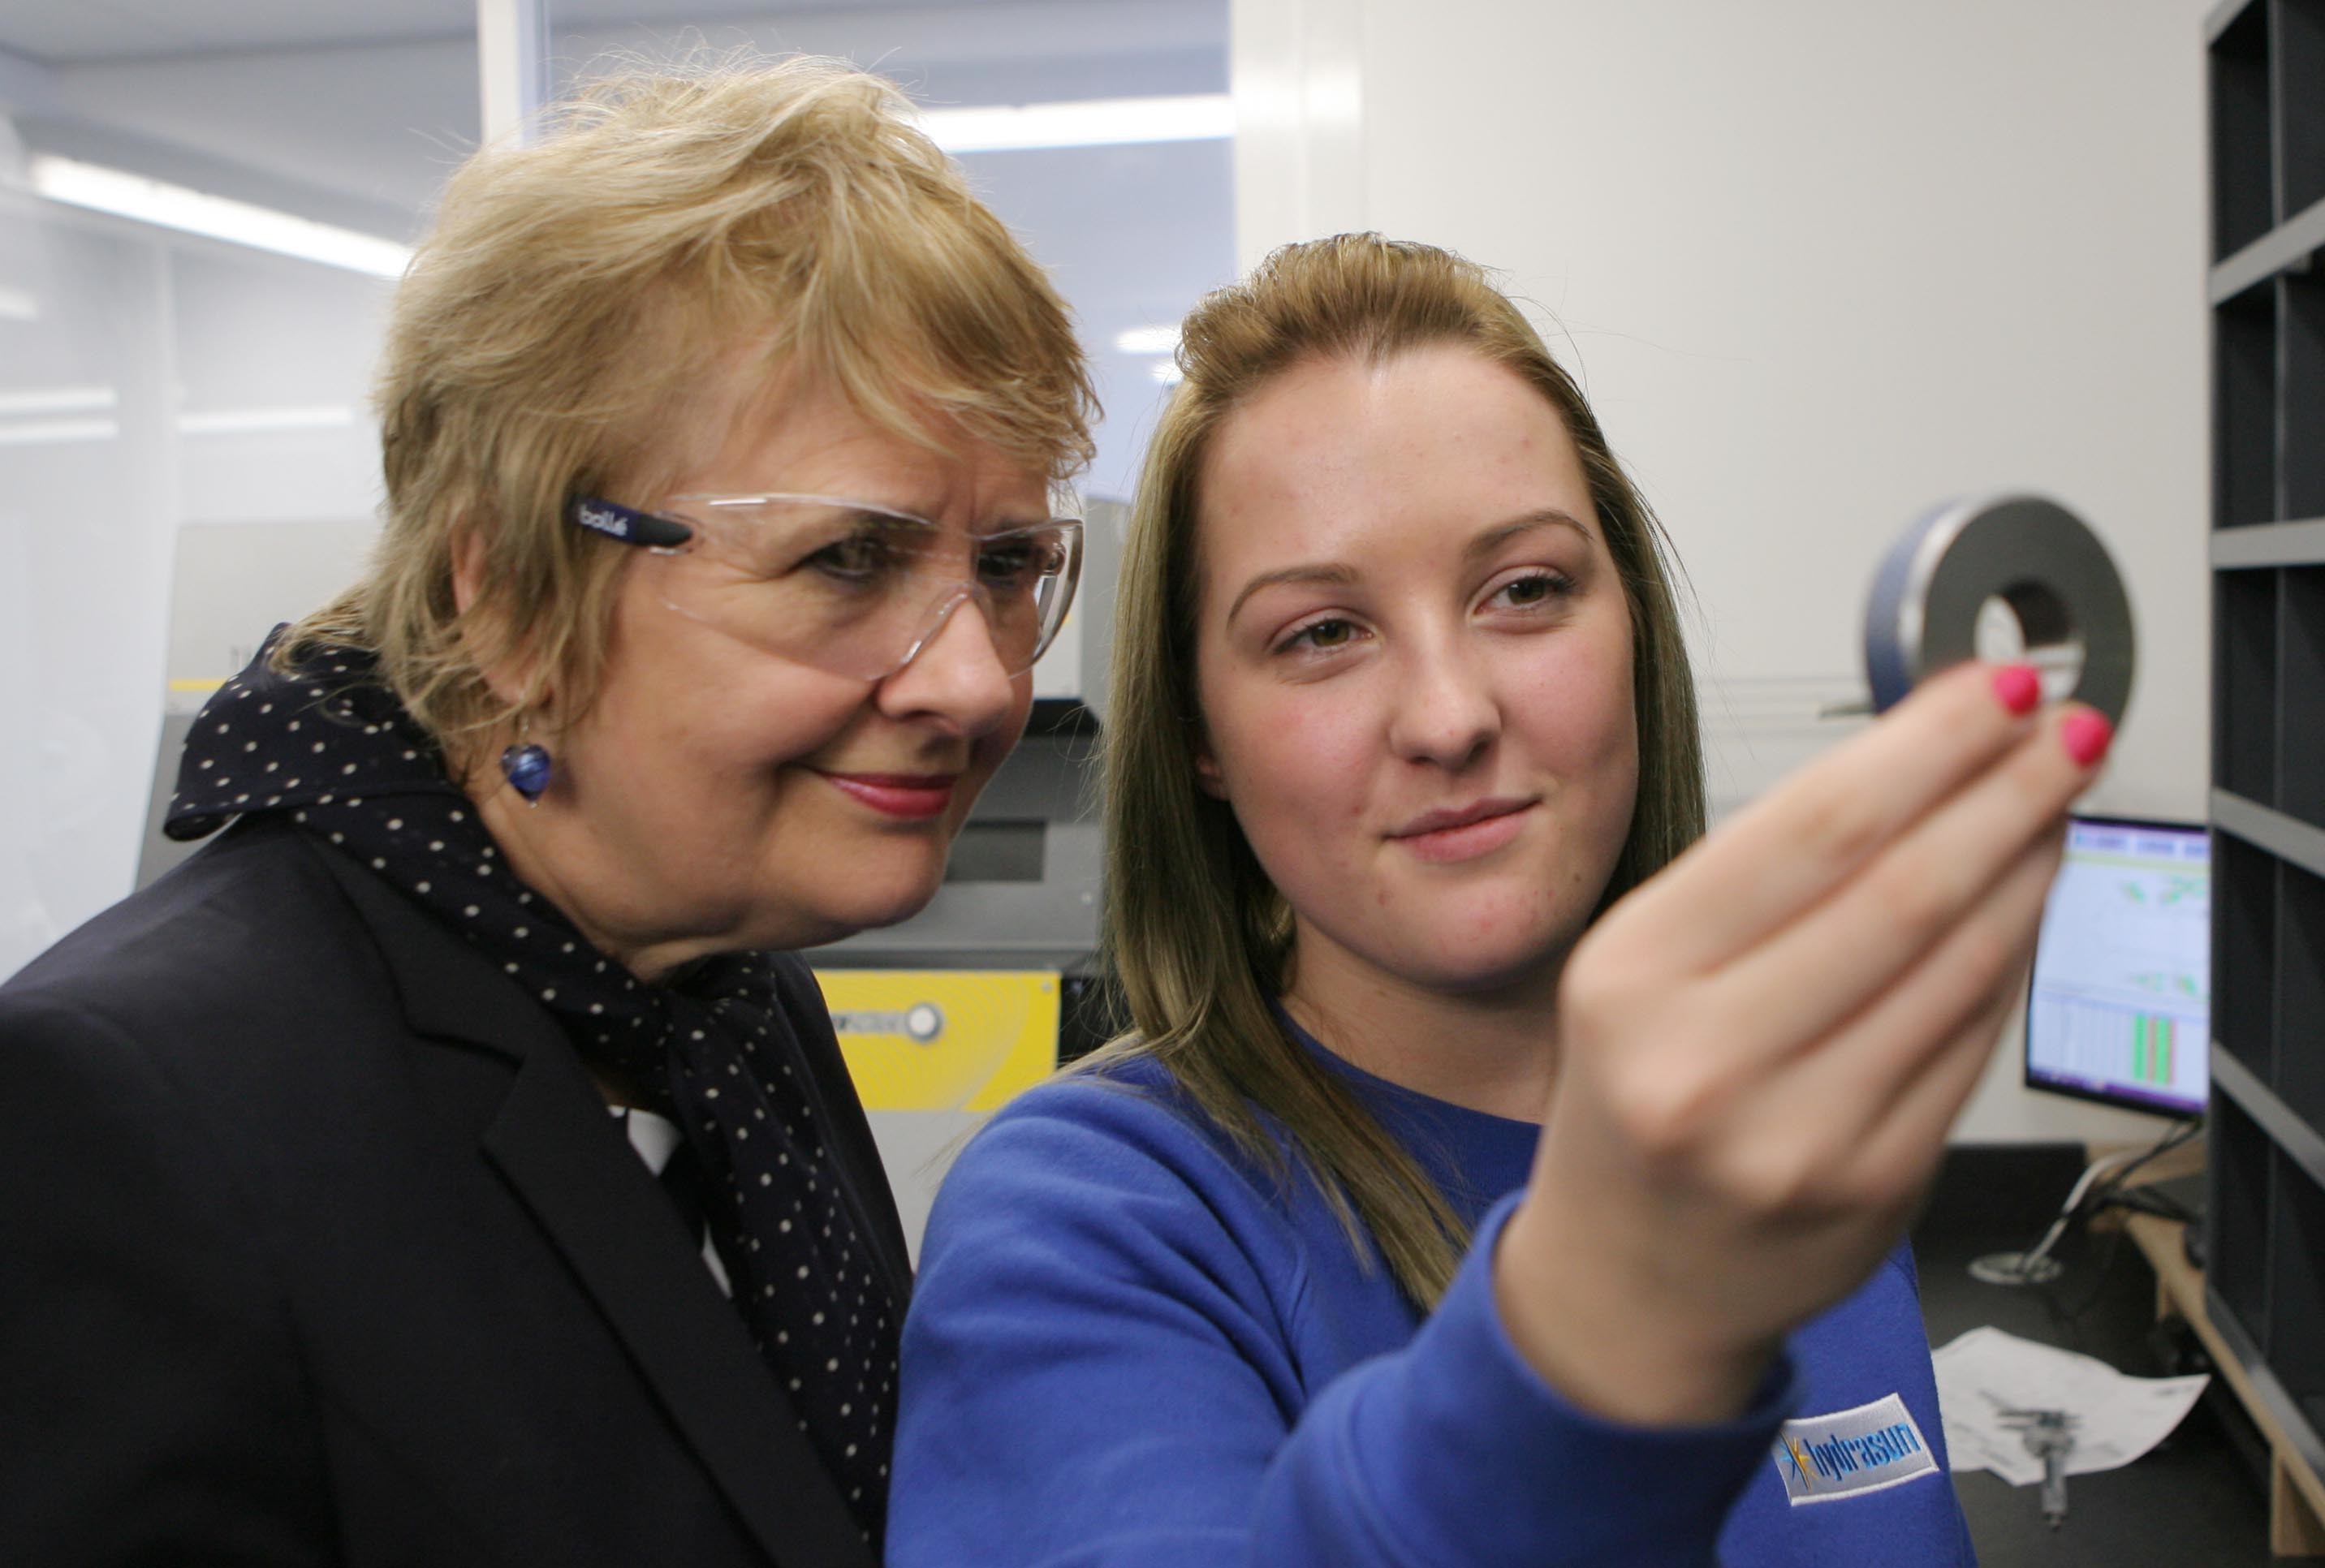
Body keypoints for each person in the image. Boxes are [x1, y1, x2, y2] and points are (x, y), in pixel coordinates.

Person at [0, 58, 1093, 1567]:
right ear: (509, 593)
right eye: (849, 562)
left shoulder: (721, 1007)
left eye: (1010, 565)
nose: (975, 685)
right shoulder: (126, 1114)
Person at [890, 235, 2110, 1564]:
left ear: (1631, 624)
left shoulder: (1765, 1142)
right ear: (1200, 736)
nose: (1451, 714)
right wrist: (1598, 1328)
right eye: (1321, 633)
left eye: (1525, 591)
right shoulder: (1091, 1223)